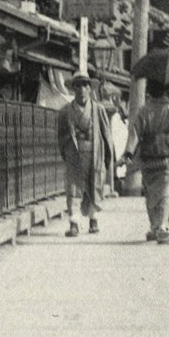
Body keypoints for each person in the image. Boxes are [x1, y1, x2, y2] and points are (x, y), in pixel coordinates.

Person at [123, 78, 169, 244]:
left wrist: (128, 152)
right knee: (165, 192)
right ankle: (162, 226)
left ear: (149, 91)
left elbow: (134, 133)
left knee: (150, 192)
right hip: (166, 156)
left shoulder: (143, 111)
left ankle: (154, 226)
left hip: (148, 157)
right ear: (167, 91)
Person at [55, 74, 115, 237]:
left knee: (92, 185)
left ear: (90, 88)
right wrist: (66, 153)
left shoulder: (98, 109)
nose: (81, 89)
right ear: (73, 89)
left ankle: (93, 219)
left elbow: (106, 134)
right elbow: (61, 136)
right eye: (77, 86)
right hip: (74, 153)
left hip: (94, 152)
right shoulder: (65, 112)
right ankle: (74, 223)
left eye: (84, 85)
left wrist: (108, 158)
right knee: (73, 188)